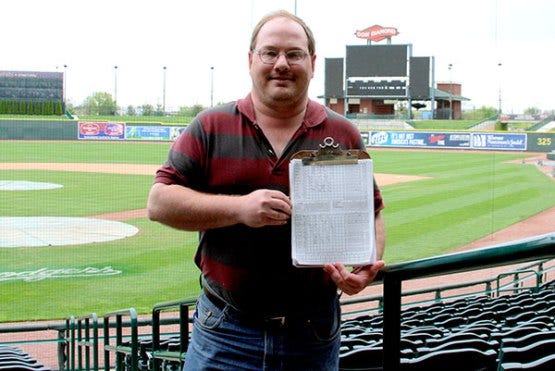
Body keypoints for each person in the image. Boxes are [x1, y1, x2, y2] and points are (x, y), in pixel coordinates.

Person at [147, 9, 386, 370]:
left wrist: (366, 264)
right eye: (269, 52)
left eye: (294, 54)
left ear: (312, 62)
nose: (281, 64)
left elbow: (372, 212)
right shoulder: (210, 125)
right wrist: (239, 209)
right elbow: (159, 202)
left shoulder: (341, 133)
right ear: (250, 60)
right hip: (226, 329)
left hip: (313, 332)